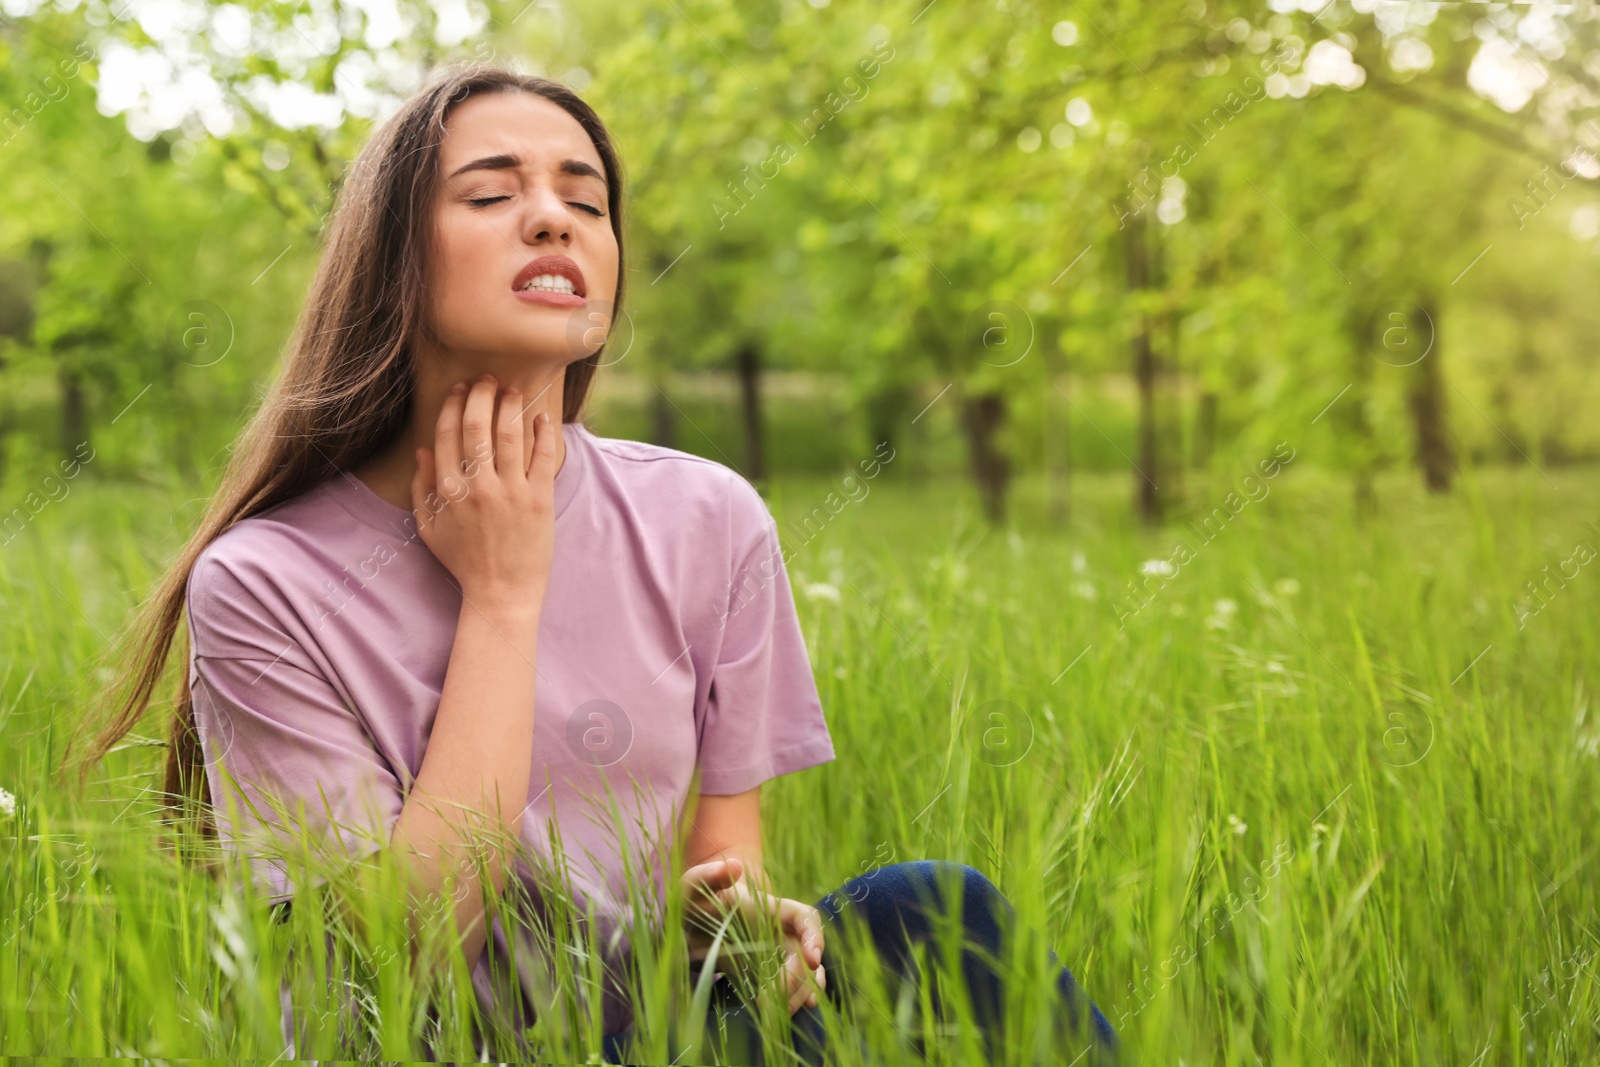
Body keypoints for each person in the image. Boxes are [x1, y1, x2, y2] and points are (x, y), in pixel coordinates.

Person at [78, 62, 1116, 1065]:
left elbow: (720, 868)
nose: (552, 217)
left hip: (647, 1036)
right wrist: (501, 593)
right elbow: (401, 961)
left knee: (926, 909)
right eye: (491, 193)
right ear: (391, 255)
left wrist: (744, 925)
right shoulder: (264, 581)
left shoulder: (707, 517)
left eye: (588, 200)